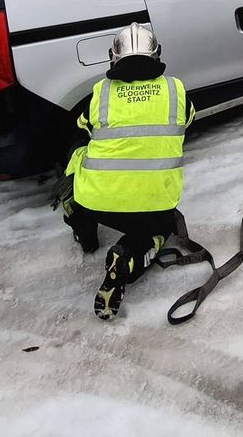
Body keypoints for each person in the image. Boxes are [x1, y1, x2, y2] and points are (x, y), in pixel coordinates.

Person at [63, 22, 196, 321]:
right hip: (154, 204)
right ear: (157, 55)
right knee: (163, 227)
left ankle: (83, 225)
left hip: (97, 203)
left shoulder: (100, 93)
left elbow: (82, 128)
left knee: (77, 150)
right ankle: (129, 258)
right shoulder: (176, 90)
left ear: (113, 57)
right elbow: (186, 122)